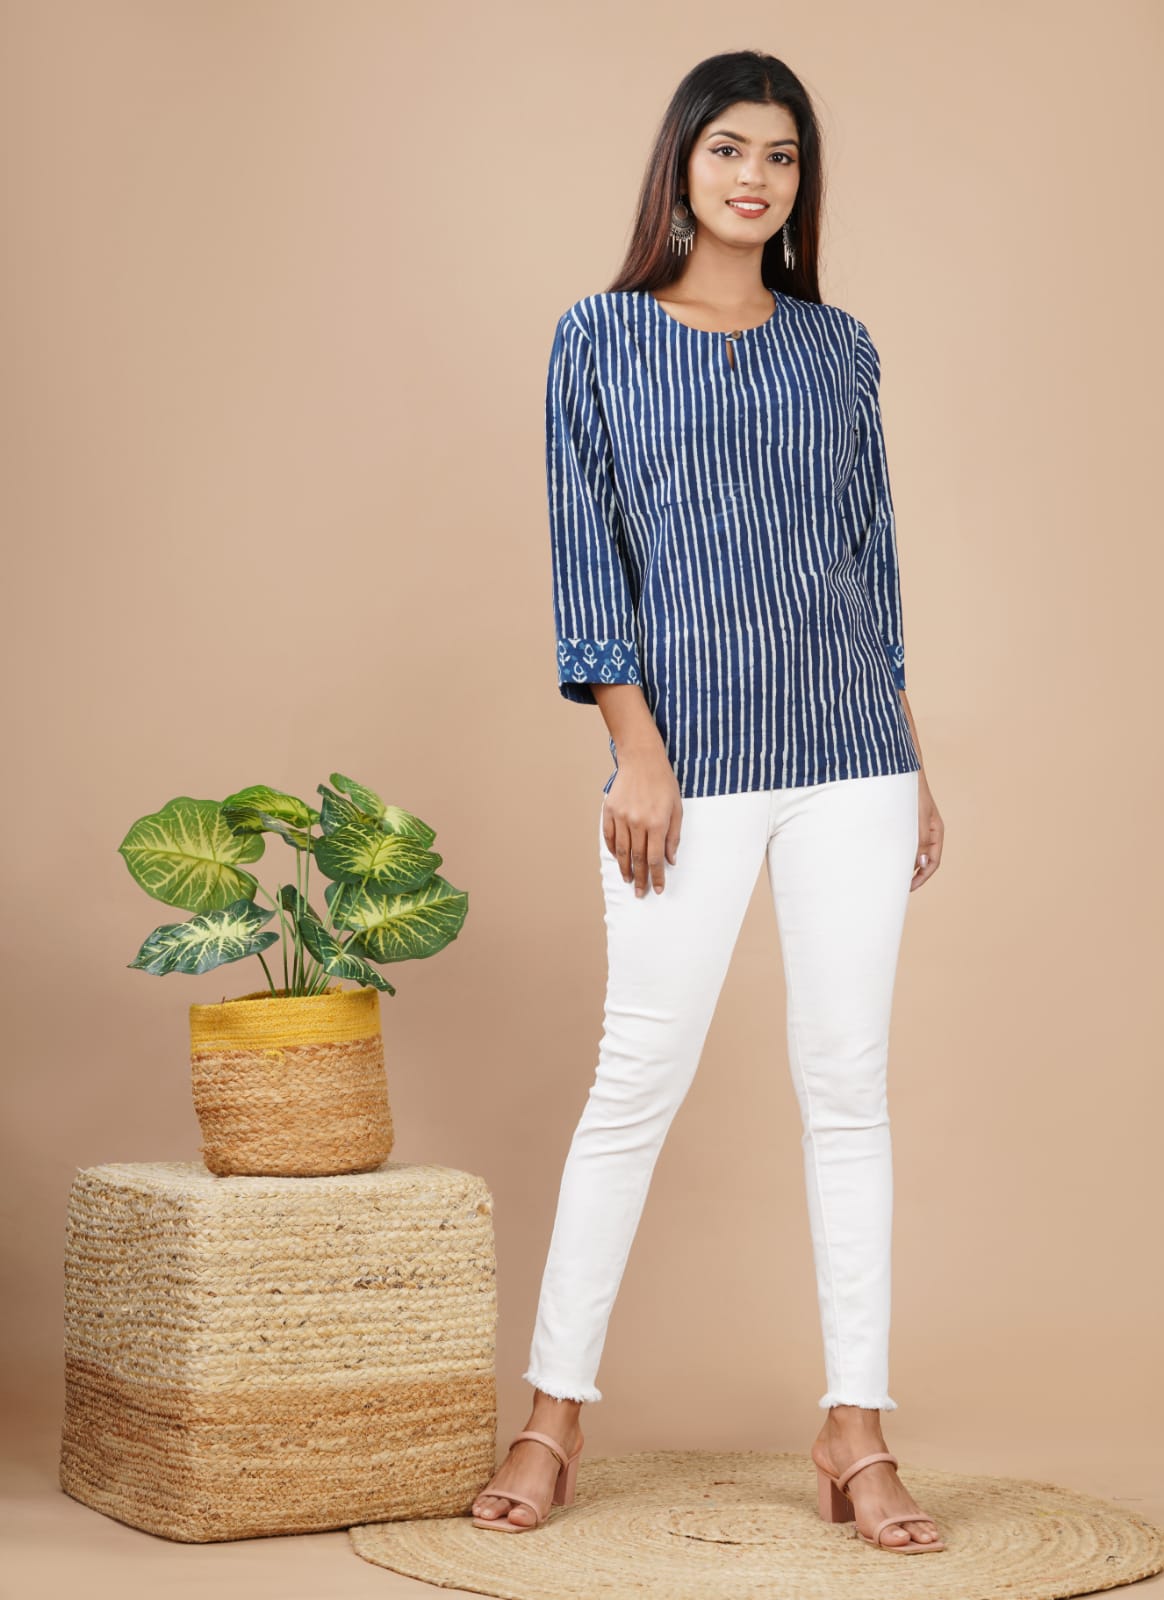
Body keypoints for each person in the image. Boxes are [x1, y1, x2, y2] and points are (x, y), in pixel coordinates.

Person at [470, 49, 947, 1553]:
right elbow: (588, 555)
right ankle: (553, 1416)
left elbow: (869, 563)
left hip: (853, 756)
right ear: (681, 164)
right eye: (730, 148)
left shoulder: (839, 348)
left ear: (804, 184)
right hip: (688, 760)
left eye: (782, 156)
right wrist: (636, 750)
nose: (756, 177)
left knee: (848, 1088)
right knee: (637, 1079)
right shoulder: (599, 336)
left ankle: (857, 1427)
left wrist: (912, 756)